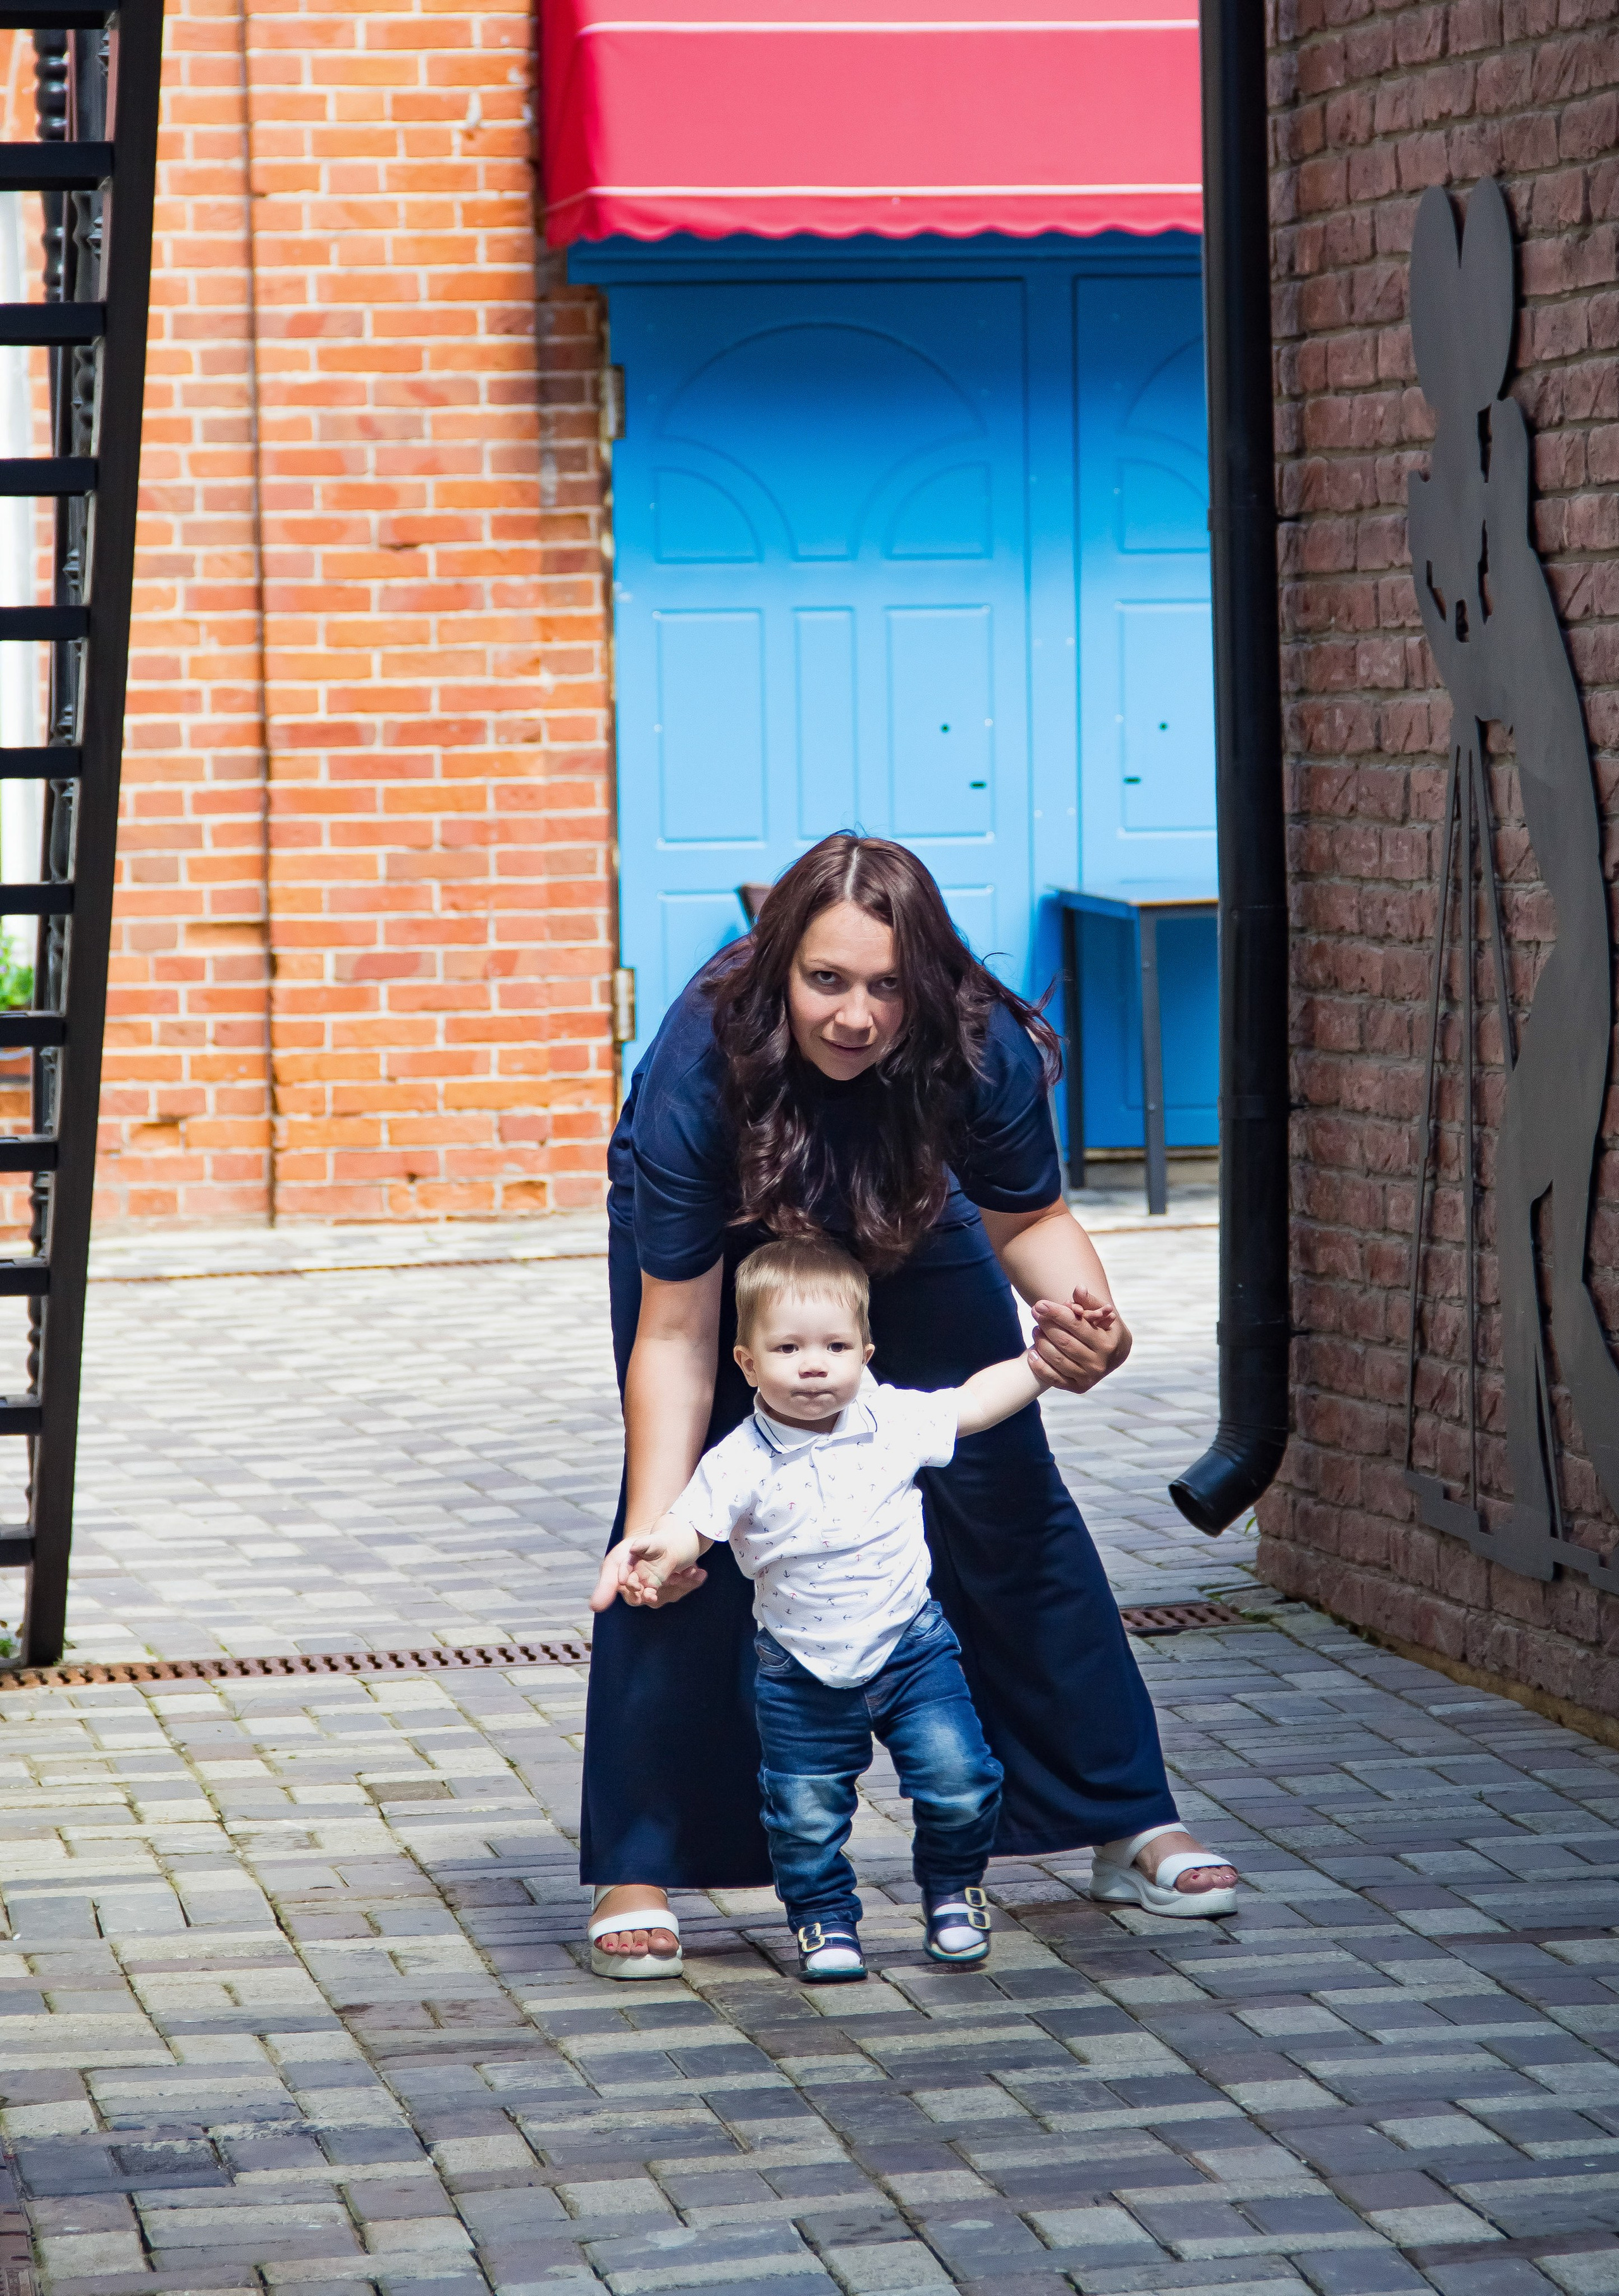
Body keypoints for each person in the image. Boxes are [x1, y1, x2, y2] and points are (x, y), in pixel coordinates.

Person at [586, 833, 1237, 1979]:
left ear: (925, 983)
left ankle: (1121, 1814)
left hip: (903, 1209)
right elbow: (680, 1337)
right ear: (779, 967)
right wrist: (660, 1530)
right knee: (689, 1519)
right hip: (730, 1246)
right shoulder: (704, 1058)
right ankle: (641, 1858)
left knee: (1007, 1493)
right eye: (827, 981)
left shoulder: (974, 1044)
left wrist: (1095, 1325)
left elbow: (1028, 1221)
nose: (856, 1016)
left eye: (887, 986)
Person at [593, 1236, 1109, 1982]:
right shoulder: (740, 1458)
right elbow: (691, 1523)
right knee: (804, 1814)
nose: (813, 1364)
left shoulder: (890, 1422)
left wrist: (1037, 1363)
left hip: (912, 1649)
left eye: (835, 1346)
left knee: (962, 1779)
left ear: (866, 1352)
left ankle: (953, 1890)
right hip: (798, 1667)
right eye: (788, 1347)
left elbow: (970, 1403)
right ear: (745, 1361)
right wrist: (661, 1551)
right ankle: (824, 1919)